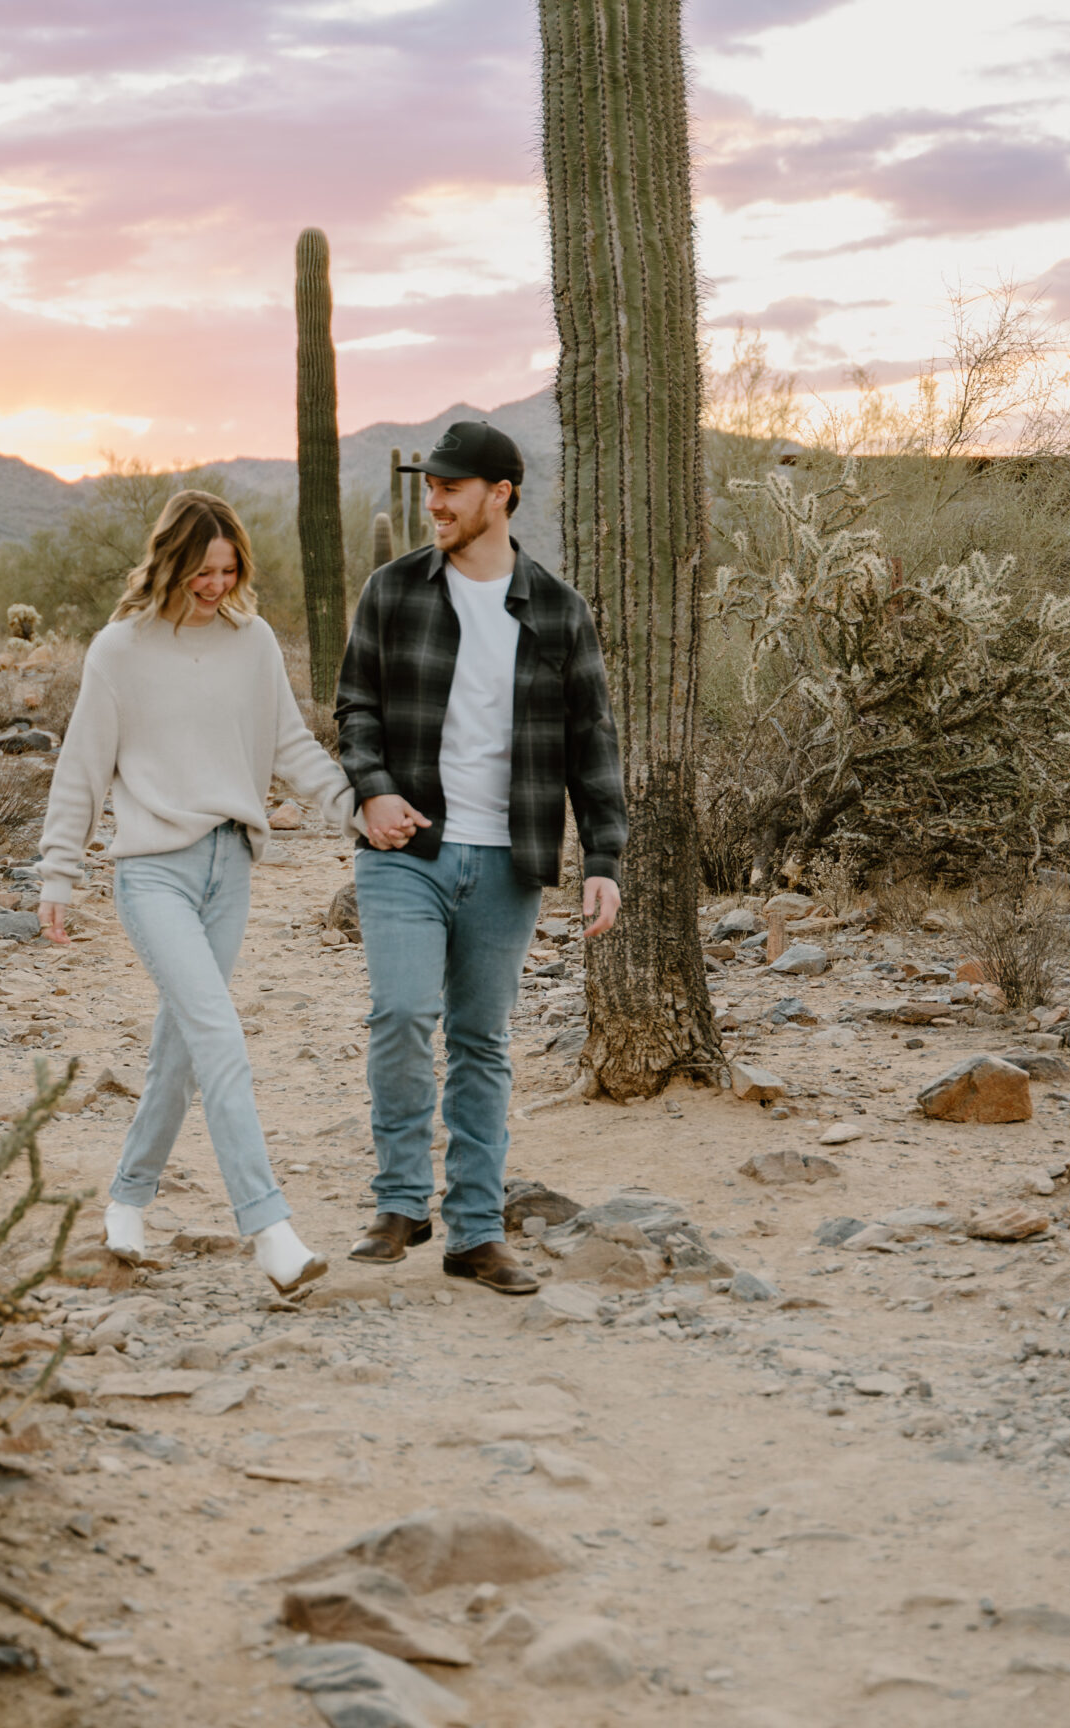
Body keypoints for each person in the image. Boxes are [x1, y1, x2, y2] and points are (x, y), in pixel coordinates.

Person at [335, 419, 627, 1296]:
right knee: (399, 1014)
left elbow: (593, 744)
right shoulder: (393, 590)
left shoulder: (557, 610)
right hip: (405, 847)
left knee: (479, 1041)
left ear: (499, 495)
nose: (433, 502)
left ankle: (471, 1231)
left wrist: (602, 858)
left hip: (508, 859)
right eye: (429, 487)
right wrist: (372, 786)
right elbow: (354, 706)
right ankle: (398, 1201)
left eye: (450, 489)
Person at [36, 490, 354, 1294]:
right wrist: (57, 874)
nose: (216, 585)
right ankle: (269, 1229)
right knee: (217, 1037)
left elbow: (290, 745)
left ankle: (125, 1201)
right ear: (170, 561)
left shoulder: (254, 646)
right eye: (201, 570)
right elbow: (82, 769)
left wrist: (357, 810)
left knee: (180, 1048)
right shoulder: (118, 650)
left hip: (230, 868)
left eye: (229, 569)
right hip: (152, 873)